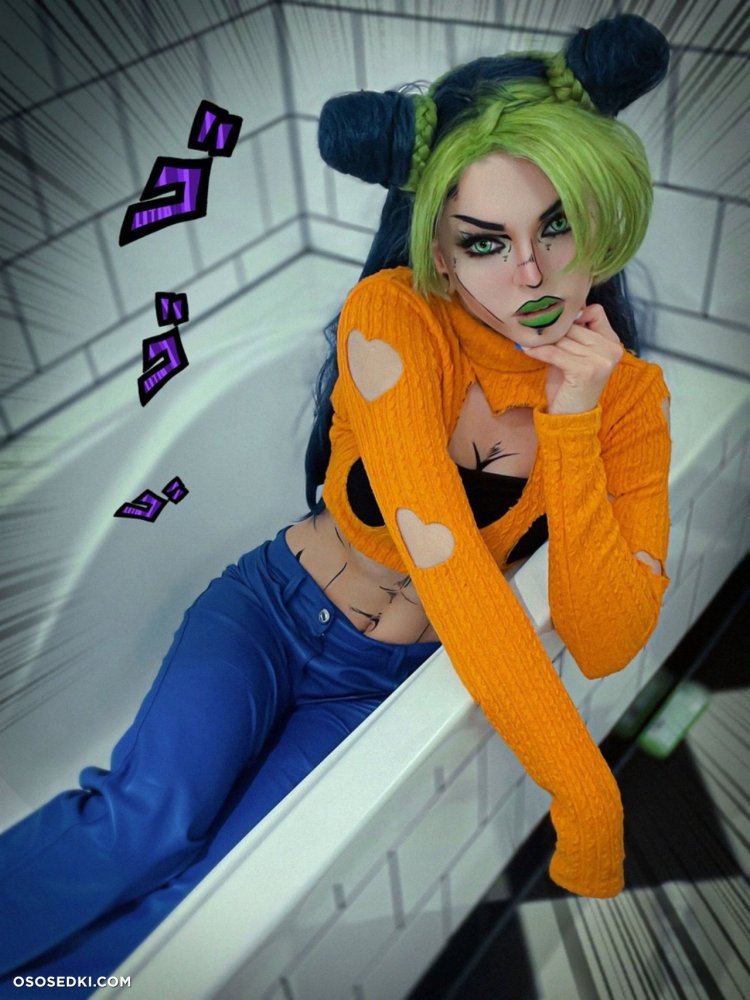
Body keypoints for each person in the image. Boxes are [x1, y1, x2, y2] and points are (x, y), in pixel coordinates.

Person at [0, 13, 671, 992]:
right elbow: (447, 559)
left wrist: (574, 421)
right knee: (142, 827)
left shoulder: (629, 398)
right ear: (440, 248)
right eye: (486, 240)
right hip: (273, 611)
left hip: (374, 678)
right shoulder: (394, 319)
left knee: (202, 899)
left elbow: (606, 640)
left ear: (604, 211)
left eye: (559, 223)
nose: (530, 273)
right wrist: (585, 793)